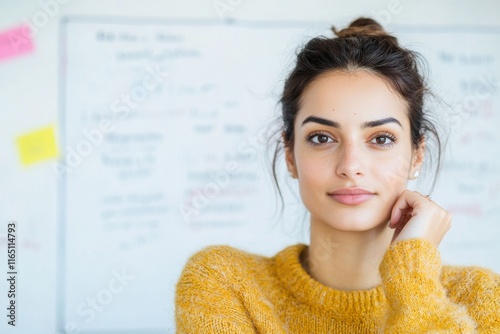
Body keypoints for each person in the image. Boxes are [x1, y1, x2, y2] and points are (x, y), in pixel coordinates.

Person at [175, 17, 500, 333]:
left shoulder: (481, 298)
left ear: (417, 155)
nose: (350, 165)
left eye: (381, 139)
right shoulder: (224, 281)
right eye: (322, 138)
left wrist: (413, 276)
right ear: (290, 154)